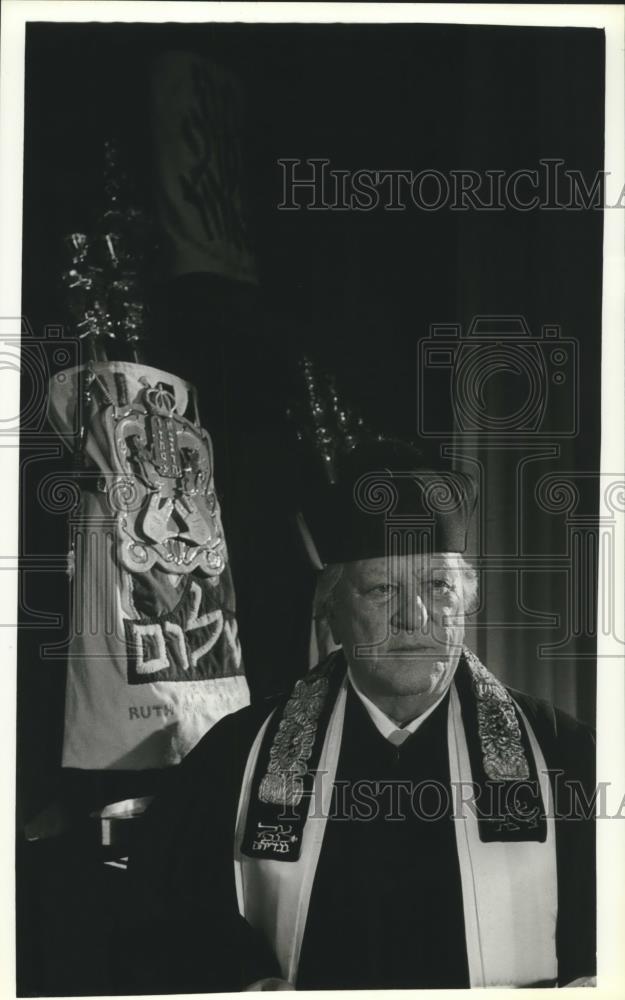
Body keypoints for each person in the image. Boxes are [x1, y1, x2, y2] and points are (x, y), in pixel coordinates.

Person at [125, 442, 595, 991]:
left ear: (467, 598)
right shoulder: (237, 758)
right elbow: (165, 927)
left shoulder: (564, 754)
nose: (413, 618)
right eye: (381, 589)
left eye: (438, 586)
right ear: (331, 607)